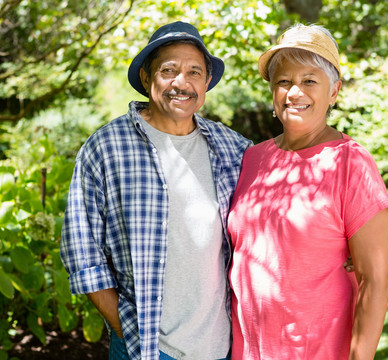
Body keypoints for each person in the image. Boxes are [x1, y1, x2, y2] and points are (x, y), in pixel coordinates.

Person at [60, 21, 252, 360]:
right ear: (148, 78)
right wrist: (125, 328)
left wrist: (340, 245)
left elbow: (278, 199)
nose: (182, 82)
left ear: (207, 81)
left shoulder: (232, 147)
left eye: (195, 71)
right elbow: (81, 251)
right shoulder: (106, 147)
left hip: (222, 347)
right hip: (145, 348)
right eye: (169, 70)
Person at [228, 24, 388, 360]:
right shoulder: (253, 158)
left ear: (333, 91)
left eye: (309, 81)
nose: (294, 92)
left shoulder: (350, 164)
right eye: (284, 81)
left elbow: (376, 280)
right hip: (249, 350)